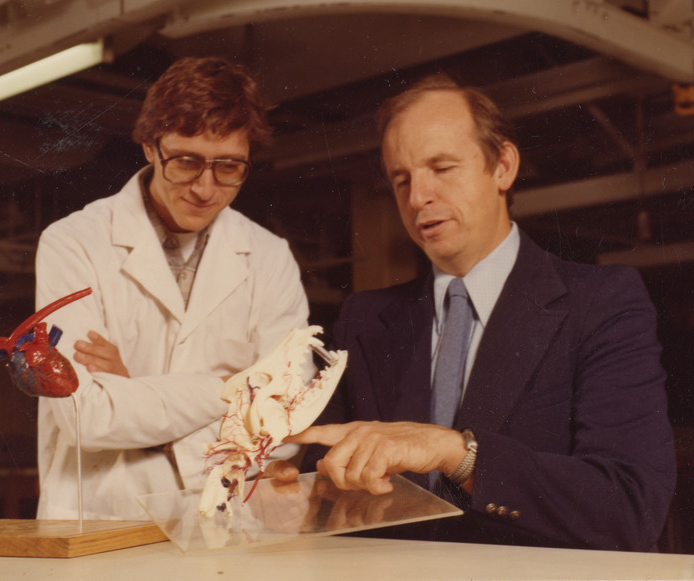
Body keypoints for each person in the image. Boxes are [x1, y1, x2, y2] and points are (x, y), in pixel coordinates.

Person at [277, 73, 676, 551]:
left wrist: (457, 454)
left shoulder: (602, 302)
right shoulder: (364, 319)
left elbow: (631, 507)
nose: (417, 197)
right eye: (401, 179)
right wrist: (286, 490)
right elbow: (319, 493)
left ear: (503, 166)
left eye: (441, 168)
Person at [34, 57, 309, 520]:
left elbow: (283, 422)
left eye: (229, 167)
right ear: (149, 146)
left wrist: (133, 389)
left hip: (224, 519)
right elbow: (87, 415)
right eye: (186, 162)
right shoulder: (73, 243)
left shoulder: (268, 255)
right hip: (103, 517)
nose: (206, 188)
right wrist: (230, 388)